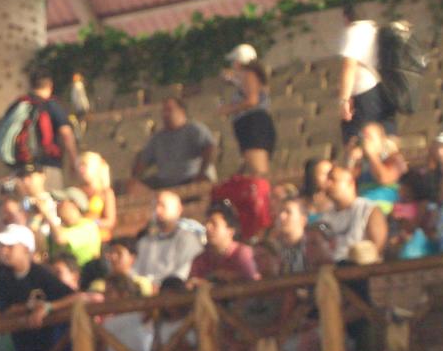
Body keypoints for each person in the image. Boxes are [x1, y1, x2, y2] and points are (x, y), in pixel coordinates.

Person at [2, 68, 79, 190]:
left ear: (31, 85)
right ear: (50, 85)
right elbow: (66, 134)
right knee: (51, 200)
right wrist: (74, 162)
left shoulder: (16, 106)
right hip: (47, 166)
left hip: (20, 170)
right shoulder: (51, 106)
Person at [130, 97, 217, 190]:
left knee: (203, 184)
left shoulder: (195, 129)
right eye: (164, 111)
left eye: (169, 110)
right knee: (133, 187)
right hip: (164, 183)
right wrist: (135, 177)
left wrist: (201, 173)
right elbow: (143, 161)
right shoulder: (157, 138)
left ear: (182, 111)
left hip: (191, 179)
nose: (165, 114)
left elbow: (210, 148)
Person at [337, 3, 396, 142]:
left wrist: (344, 100)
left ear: (346, 18)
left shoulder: (354, 32)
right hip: (385, 90)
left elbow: (349, 66)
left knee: (357, 139)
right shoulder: (374, 29)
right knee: (387, 137)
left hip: (365, 93)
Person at [219, 44, 276, 176]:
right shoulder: (248, 77)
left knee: (258, 171)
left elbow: (252, 100)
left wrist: (228, 109)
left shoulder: (249, 75)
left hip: (253, 124)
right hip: (251, 124)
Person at [134, 191, 205, 285]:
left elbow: (183, 273)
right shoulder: (145, 242)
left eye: (162, 206)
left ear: (178, 209)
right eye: (155, 207)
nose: (158, 211)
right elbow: (135, 272)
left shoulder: (188, 240)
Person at [320, 166, 387, 262]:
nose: (328, 184)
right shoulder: (324, 217)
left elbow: (377, 248)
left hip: (362, 266)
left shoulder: (369, 209)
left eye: (333, 180)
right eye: (327, 180)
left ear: (350, 183)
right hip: (332, 267)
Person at [188, 202, 259, 284]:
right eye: (206, 223)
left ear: (230, 231)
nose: (207, 227)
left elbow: (252, 283)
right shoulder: (200, 259)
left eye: (214, 224)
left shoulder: (242, 254)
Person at [347, 122, 407, 215]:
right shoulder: (361, 163)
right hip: (362, 209)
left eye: (369, 138)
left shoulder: (394, 158)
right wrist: (351, 160)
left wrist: (372, 154)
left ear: (382, 141)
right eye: (362, 138)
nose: (365, 142)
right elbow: (347, 183)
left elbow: (384, 178)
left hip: (386, 210)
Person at [36, 187, 102, 267]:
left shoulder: (88, 227)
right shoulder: (60, 228)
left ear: (75, 205)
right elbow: (41, 250)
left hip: (83, 272)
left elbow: (60, 238)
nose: (57, 205)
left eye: (61, 201)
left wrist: (46, 214)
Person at [76, 151, 117, 240]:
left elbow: (110, 221)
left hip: (100, 238)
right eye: (79, 166)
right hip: (80, 239)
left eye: (84, 165)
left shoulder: (105, 192)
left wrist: (91, 223)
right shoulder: (77, 191)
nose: (81, 169)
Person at [275, 196, 310, 274]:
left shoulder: (311, 247)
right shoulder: (274, 250)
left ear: (303, 219)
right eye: (279, 212)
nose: (281, 217)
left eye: (288, 212)